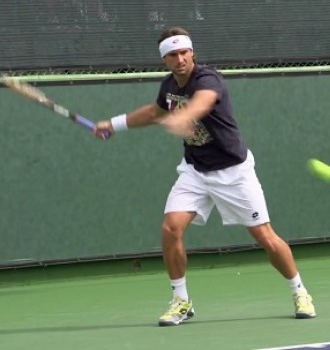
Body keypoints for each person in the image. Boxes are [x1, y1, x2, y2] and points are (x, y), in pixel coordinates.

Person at [93, 26, 316, 326]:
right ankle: (181, 301)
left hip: (234, 172)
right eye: (173, 55)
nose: (180, 59)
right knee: (171, 228)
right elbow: (154, 113)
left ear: (192, 53)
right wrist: (114, 124)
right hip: (195, 171)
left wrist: (185, 116)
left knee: (265, 236)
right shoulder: (169, 86)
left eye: (184, 52)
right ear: (165, 60)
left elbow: (203, 102)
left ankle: (299, 291)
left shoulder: (208, 78)